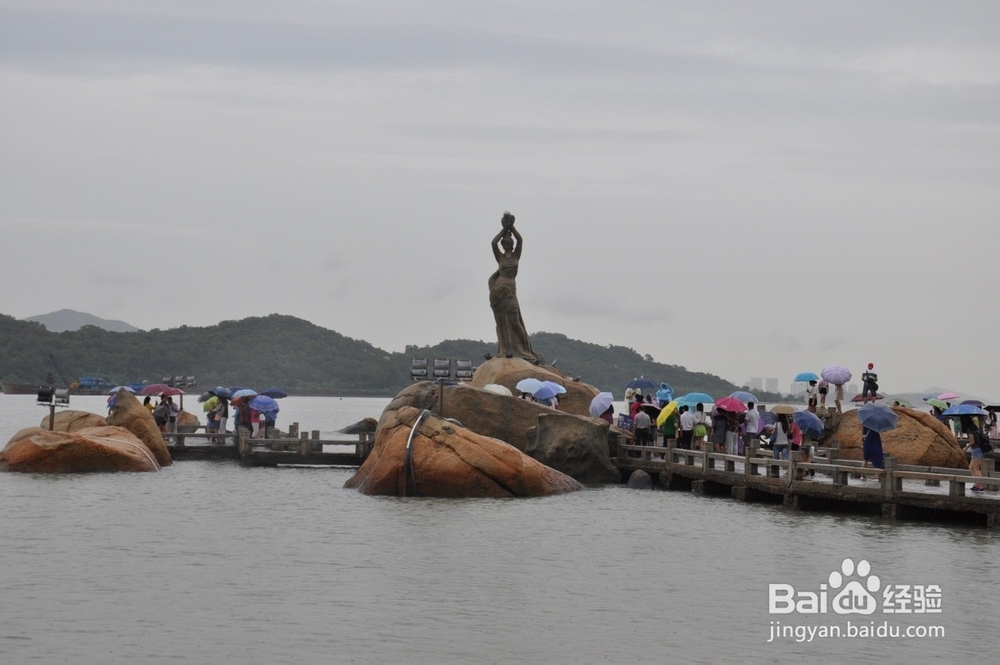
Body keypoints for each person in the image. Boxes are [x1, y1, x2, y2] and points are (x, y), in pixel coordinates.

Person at [488, 212, 538, 361]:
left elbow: (520, 239)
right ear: (503, 245)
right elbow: (493, 243)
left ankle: (525, 351)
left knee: (516, 323)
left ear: (512, 244)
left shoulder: (516, 255)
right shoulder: (500, 257)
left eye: (509, 243)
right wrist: (504, 230)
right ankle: (504, 350)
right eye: (505, 243)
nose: (507, 245)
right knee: (500, 323)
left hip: (511, 292)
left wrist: (512, 227)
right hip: (497, 293)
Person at [960, 415, 987, 492]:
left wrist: (966, 448)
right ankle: (976, 484)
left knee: (976, 468)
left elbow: (972, 442)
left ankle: (980, 486)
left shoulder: (970, 429)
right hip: (977, 449)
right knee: (971, 467)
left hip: (977, 449)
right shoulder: (974, 427)